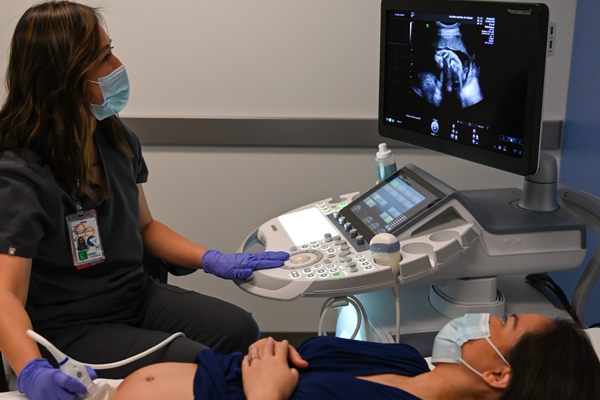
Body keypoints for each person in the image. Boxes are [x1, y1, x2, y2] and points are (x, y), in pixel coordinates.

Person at [0, 1, 289, 398]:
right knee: (201, 366)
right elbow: (5, 294)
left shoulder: (115, 140)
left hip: (134, 294)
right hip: (73, 329)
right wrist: (30, 368)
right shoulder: (21, 172)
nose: (117, 64)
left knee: (241, 330)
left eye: (111, 49)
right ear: (64, 77)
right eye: (103, 57)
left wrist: (213, 259)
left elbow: (145, 227)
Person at [107, 313, 600, 400]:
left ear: (497, 375)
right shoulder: (408, 360)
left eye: (504, 325)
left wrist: (265, 395)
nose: (486, 319)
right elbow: (297, 356)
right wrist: (267, 350)